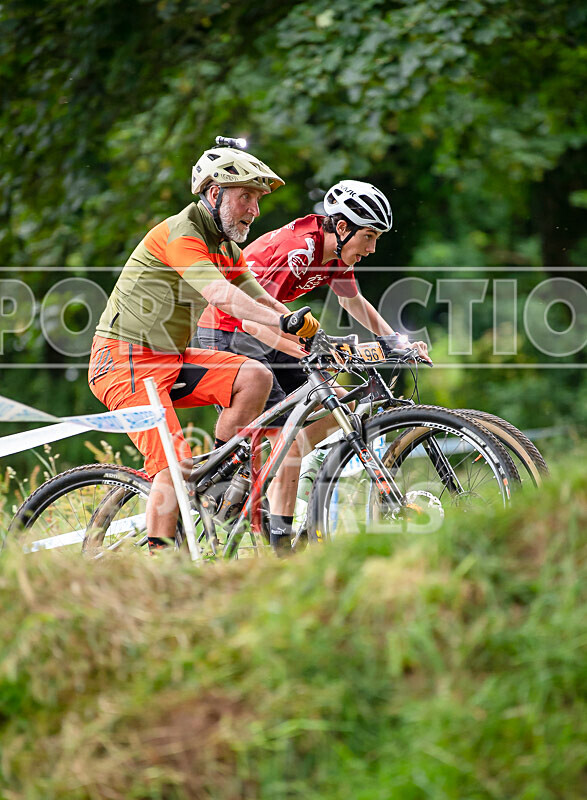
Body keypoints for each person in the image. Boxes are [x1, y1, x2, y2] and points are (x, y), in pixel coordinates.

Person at [88, 141, 319, 549]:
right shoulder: (183, 233)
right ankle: (162, 559)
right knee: (173, 465)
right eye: (246, 197)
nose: (255, 210)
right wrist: (283, 321)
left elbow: (258, 298)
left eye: (258, 199)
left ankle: (217, 477)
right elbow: (223, 297)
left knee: (254, 376)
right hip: (122, 361)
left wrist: (306, 332)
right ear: (215, 194)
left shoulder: (225, 245)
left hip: (169, 359)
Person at [197, 179, 430, 551]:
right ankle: (263, 526)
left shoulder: (334, 252)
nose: (371, 249)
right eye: (368, 236)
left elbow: (354, 301)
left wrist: (393, 342)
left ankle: (267, 481)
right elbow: (254, 320)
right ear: (342, 227)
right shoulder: (298, 251)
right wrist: (307, 353)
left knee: (341, 403)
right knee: (289, 435)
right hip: (230, 331)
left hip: (268, 333)